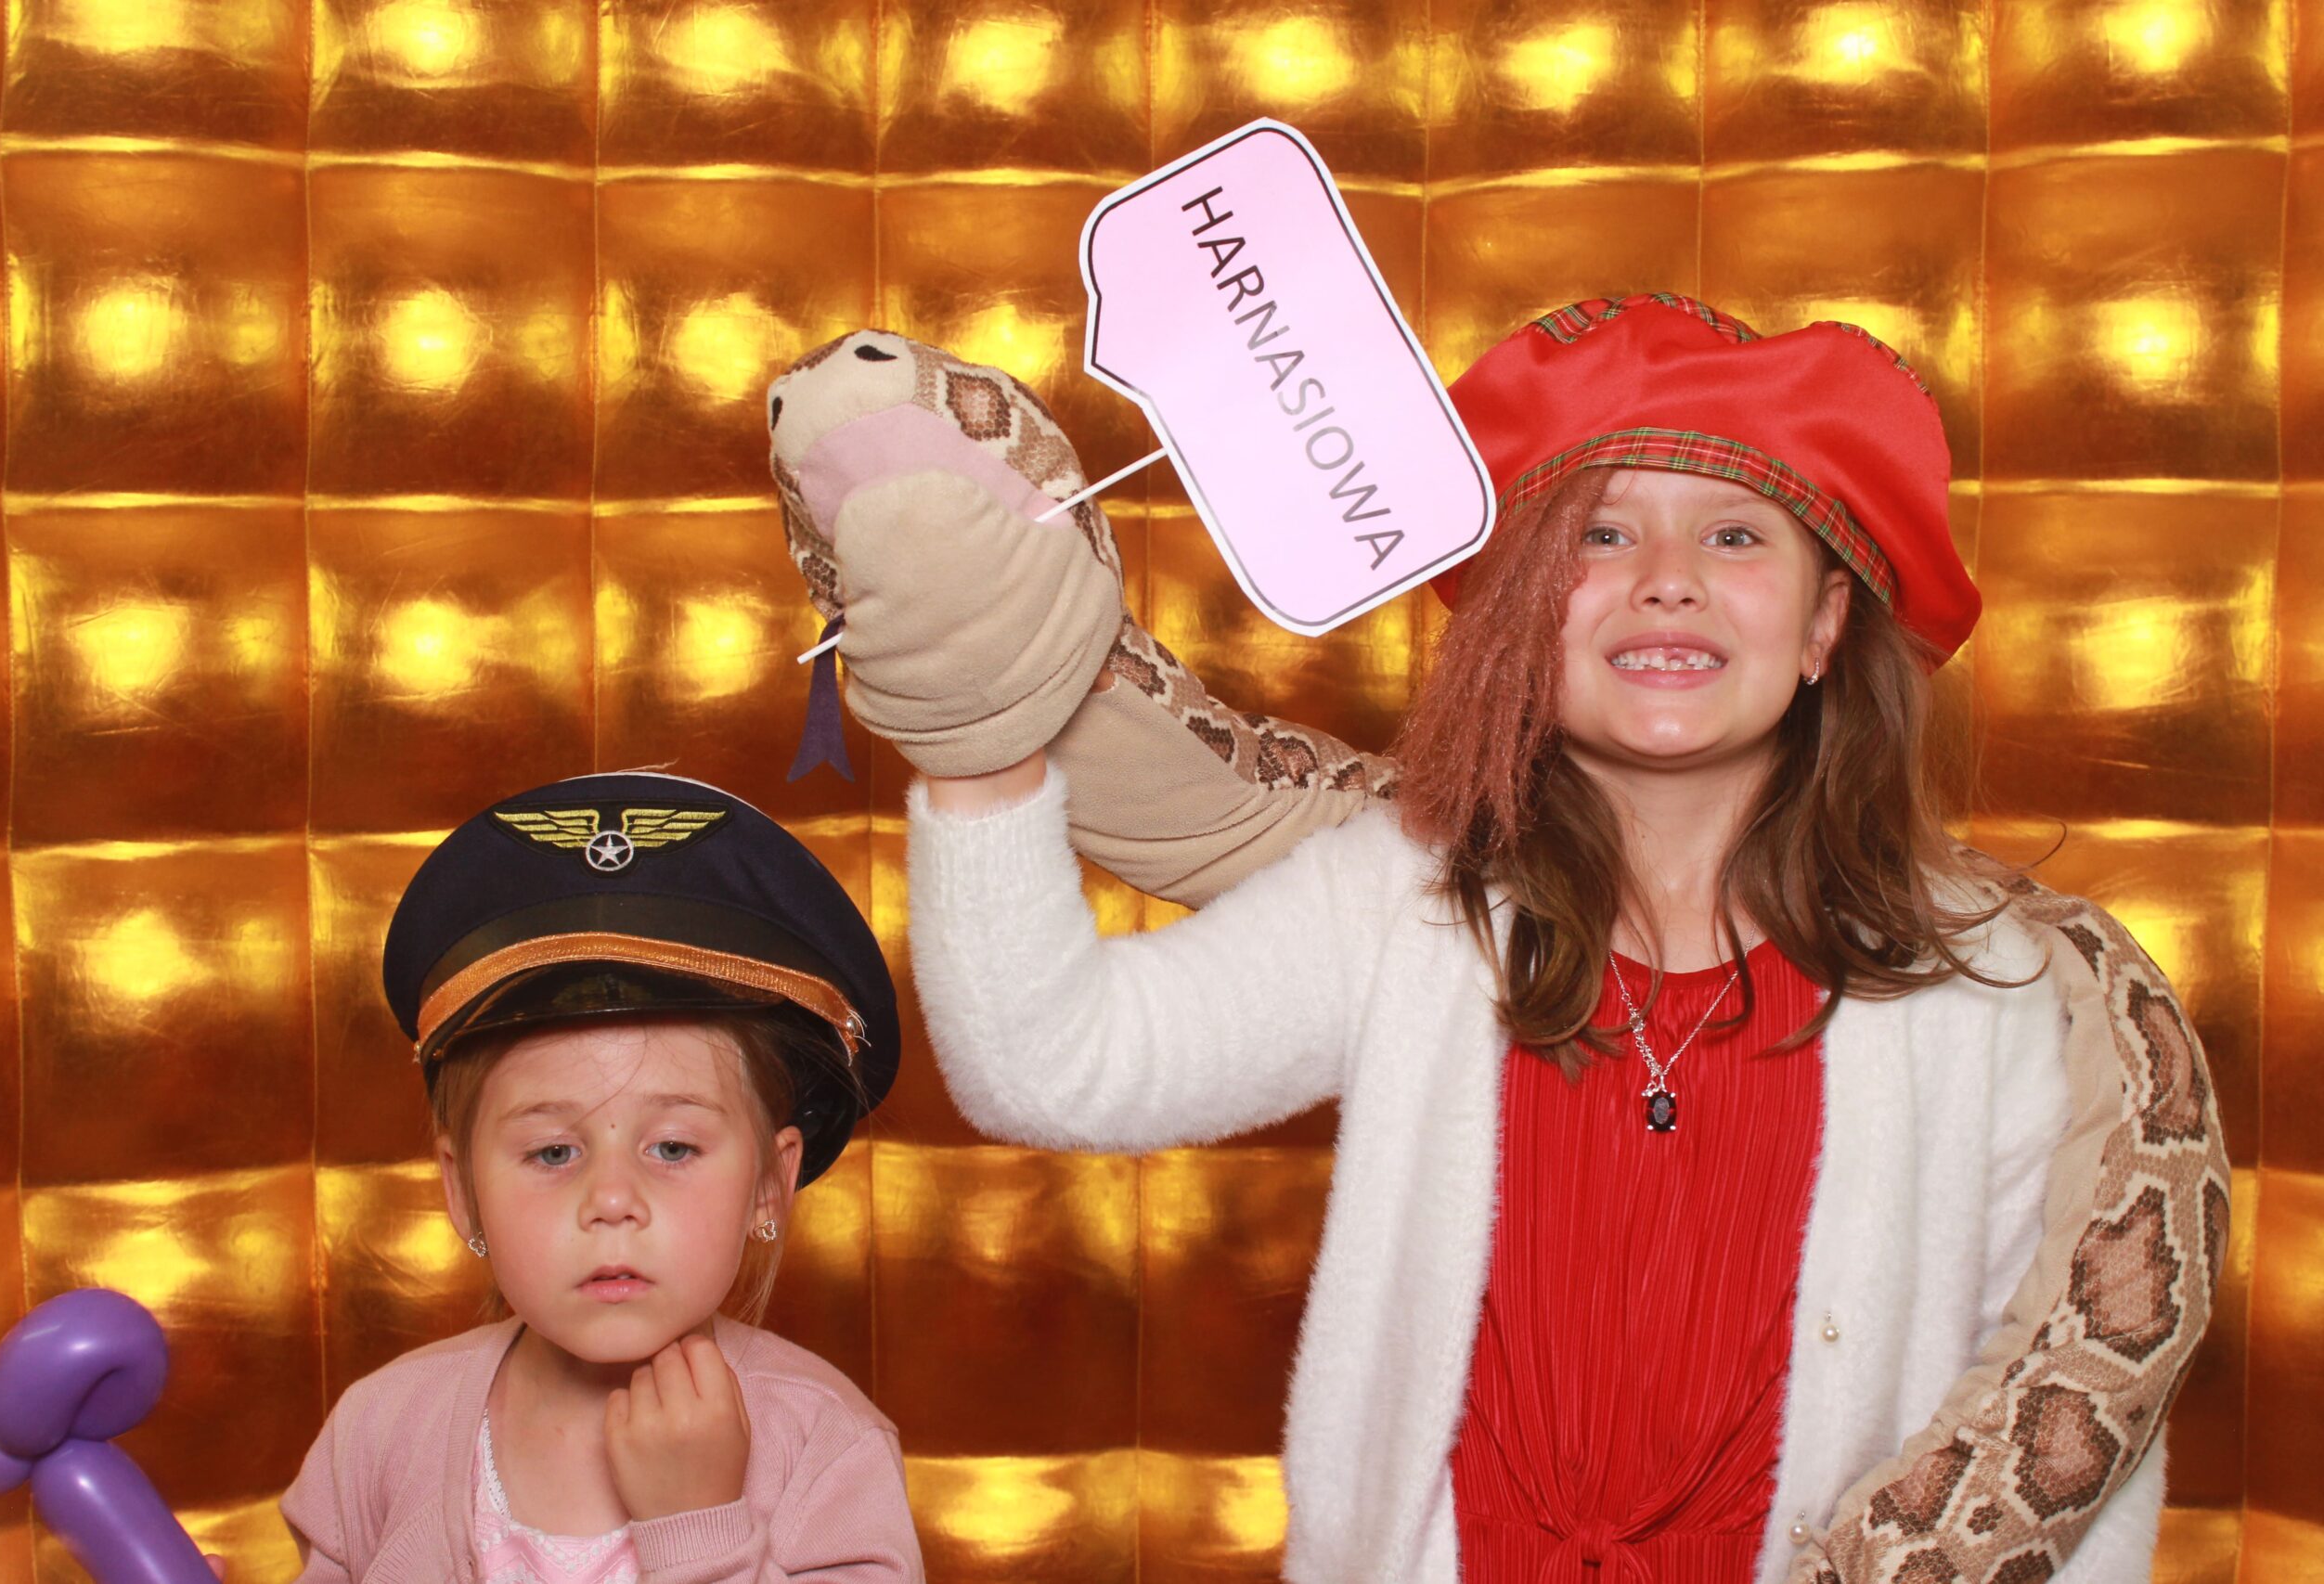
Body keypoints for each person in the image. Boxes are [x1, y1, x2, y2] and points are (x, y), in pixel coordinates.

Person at [772, 298, 2227, 1582]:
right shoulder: (1406, 902)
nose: (1667, 575)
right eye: (1600, 532)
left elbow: (2075, 1440)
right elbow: (1052, 1062)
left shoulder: (1993, 992)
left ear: (1825, 623)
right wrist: (978, 743)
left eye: (1734, 533)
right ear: (1525, 621)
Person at [276, 771, 924, 1584]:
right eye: (554, 1153)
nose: (612, 1202)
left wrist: (699, 1530)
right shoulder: (379, 1431)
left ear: (770, 1180)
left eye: (673, 1148)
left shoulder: (827, 1451)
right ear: (462, 1189)